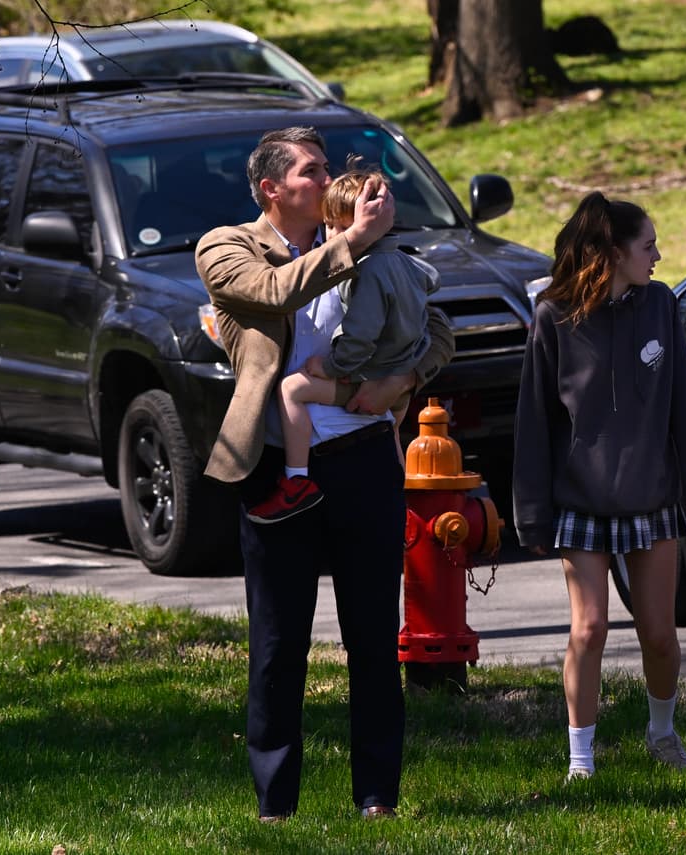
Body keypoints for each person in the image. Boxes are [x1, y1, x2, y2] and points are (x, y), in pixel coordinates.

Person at [195, 126, 454, 822]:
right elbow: (275, 291)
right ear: (271, 188)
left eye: (325, 167)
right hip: (280, 471)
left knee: (373, 636)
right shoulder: (228, 246)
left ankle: (377, 798)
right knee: (279, 643)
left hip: (365, 460)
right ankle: (275, 803)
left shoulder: (369, 248)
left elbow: (439, 328)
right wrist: (354, 243)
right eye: (309, 170)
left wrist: (401, 378)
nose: (325, 178)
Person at [513, 191, 686, 781]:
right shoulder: (553, 315)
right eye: (648, 246)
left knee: (662, 638)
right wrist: (532, 514)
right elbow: (534, 421)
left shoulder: (661, 304)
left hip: (653, 497)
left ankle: (662, 733)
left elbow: (680, 407)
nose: (659, 255)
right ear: (613, 252)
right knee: (588, 628)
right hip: (581, 502)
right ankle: (581, 760)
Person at [245, 163, 439, 524]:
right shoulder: (405, 263)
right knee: (393, 435)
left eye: (333, 226)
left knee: (291, 389)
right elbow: (430, 285)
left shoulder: (368, 270)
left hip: (369, 375)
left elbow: (360, 337)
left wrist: (331, 366)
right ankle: (403, 496)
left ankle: (296, 479)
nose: (329, 233)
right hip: (393, 374)